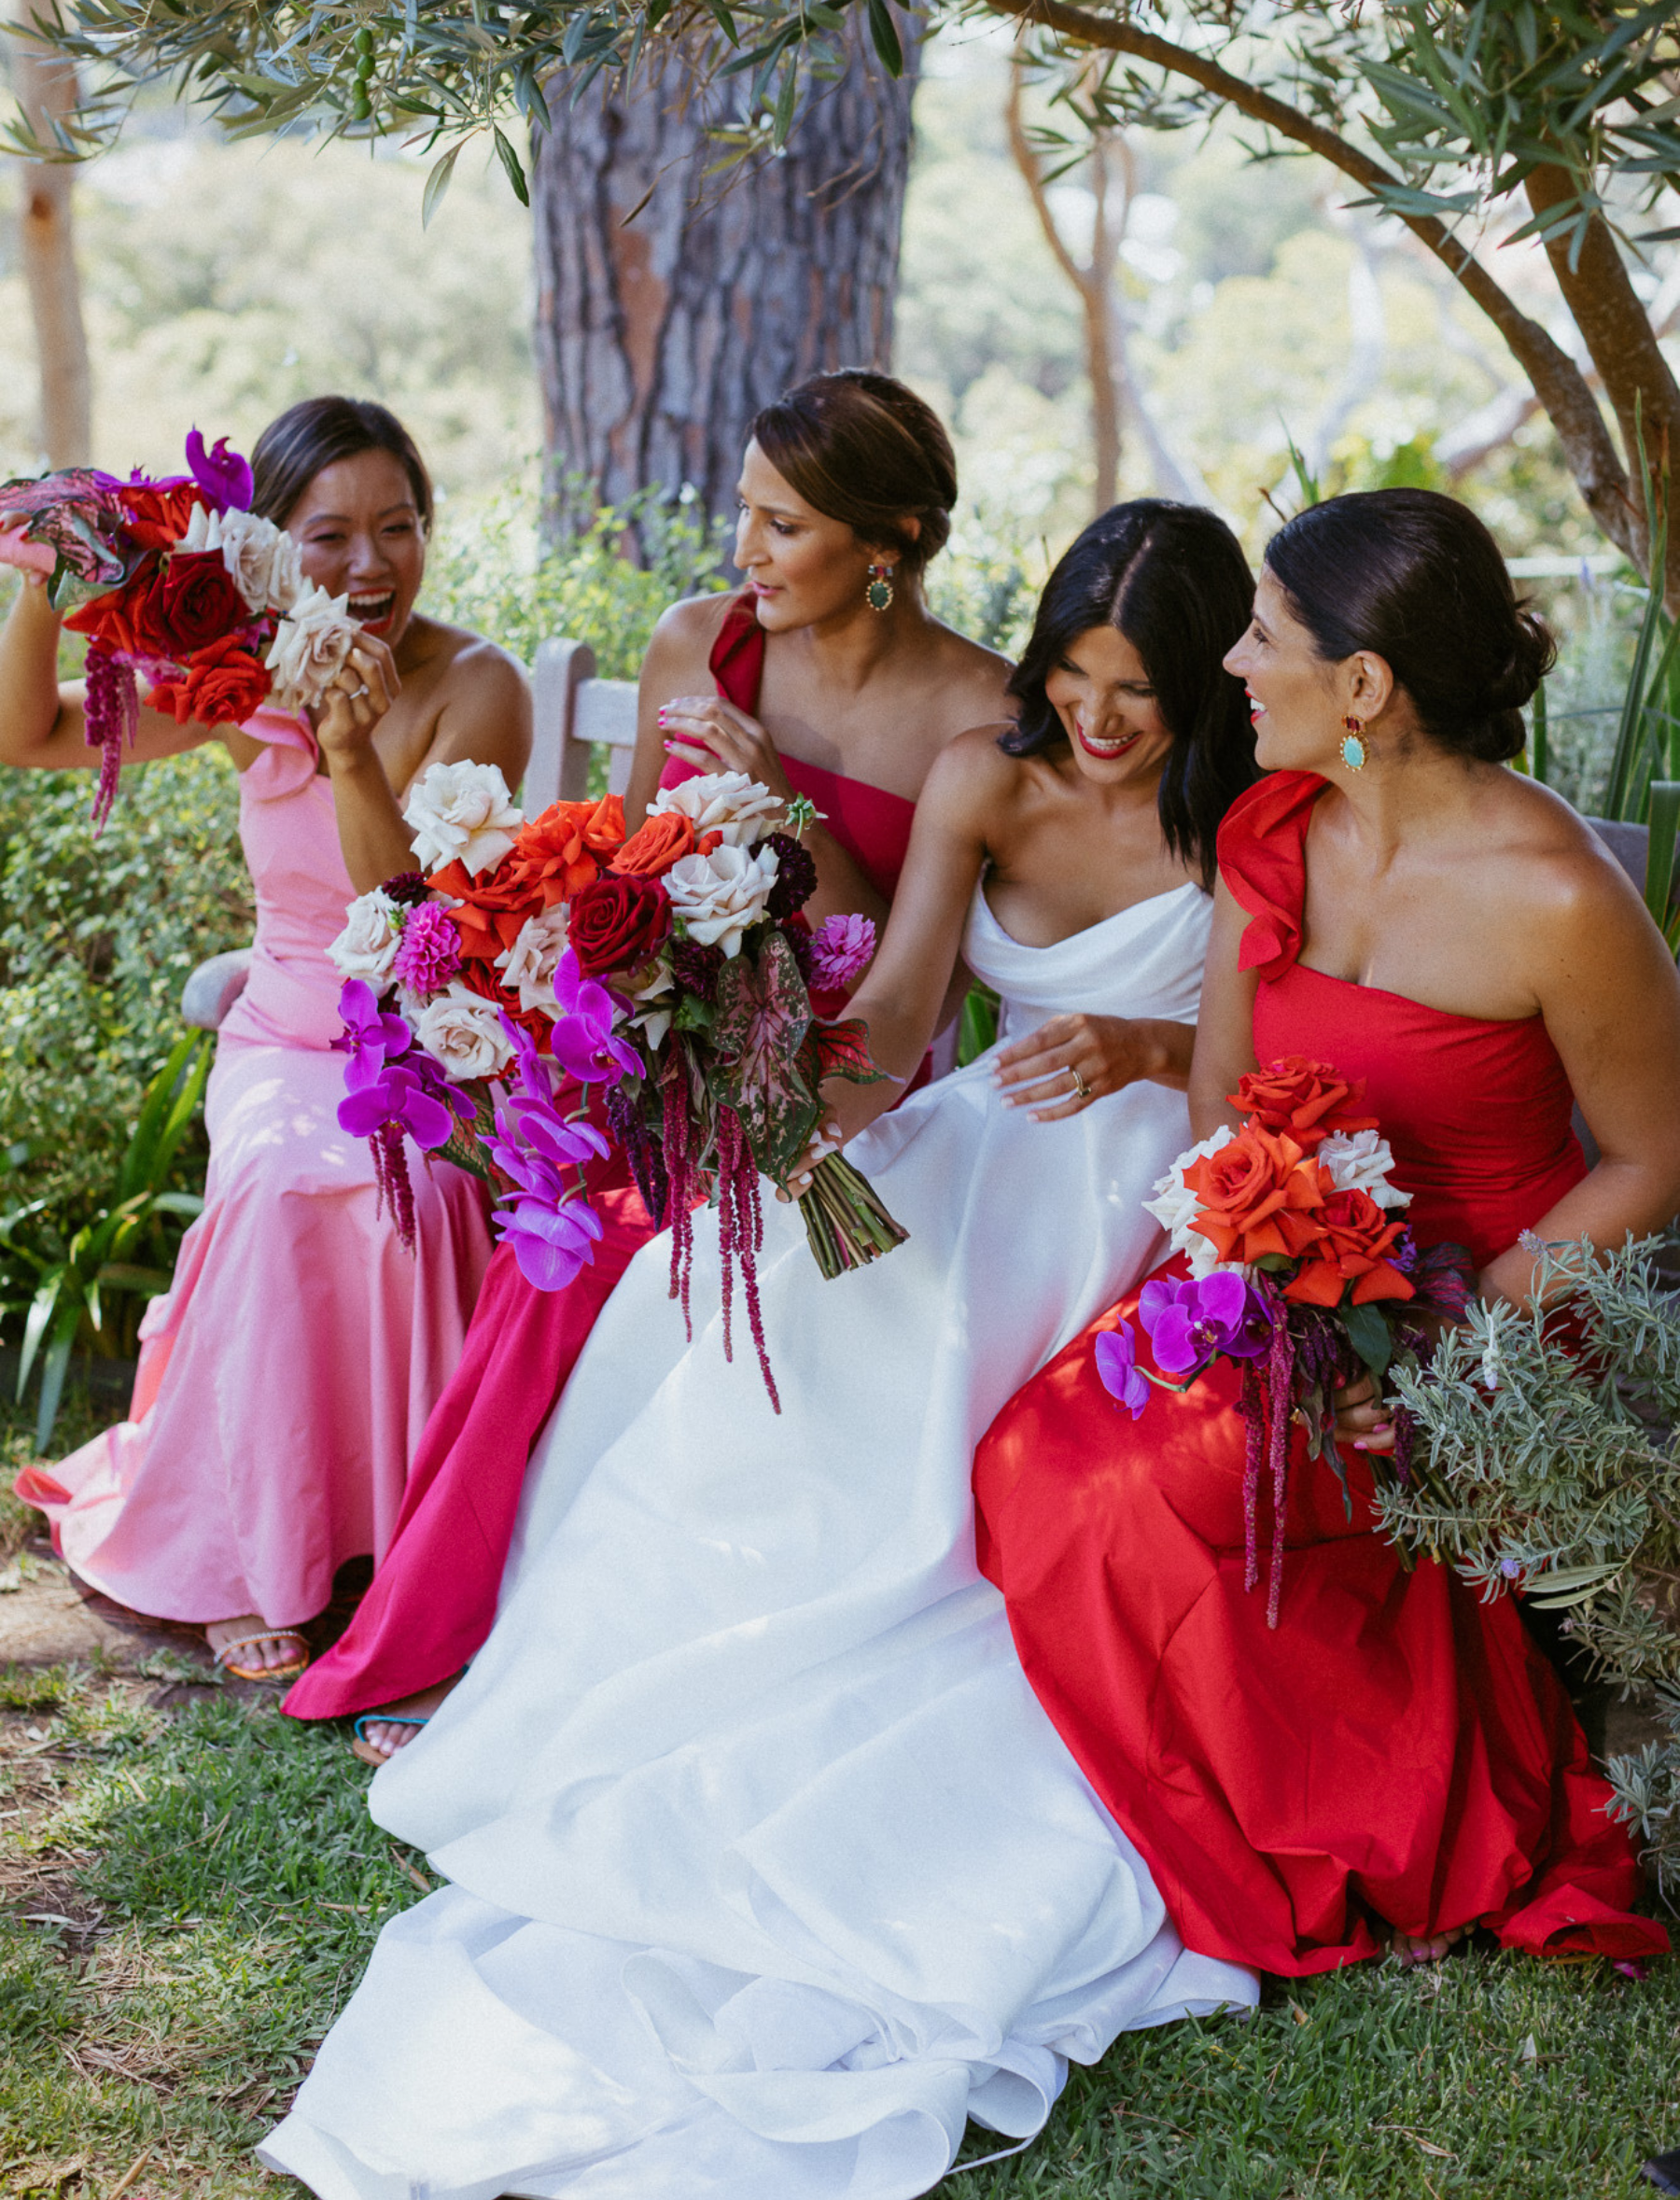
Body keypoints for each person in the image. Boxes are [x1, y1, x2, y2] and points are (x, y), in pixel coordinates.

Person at [259, 500, 1264, 2199]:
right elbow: (899, 1017)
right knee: (715, 1301)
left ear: (1206, 692)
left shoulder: (1244, 824)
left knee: (934, 1371)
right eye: (1079, 676)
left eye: (1140, 692)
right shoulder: (986, 779)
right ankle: (611, 1687)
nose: (1101, 719)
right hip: (974, 1132)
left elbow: (1239, 1079)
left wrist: (1142, 1045)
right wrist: (756, 1066)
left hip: (1151, 1176)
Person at [973, 486, 1680, 1978]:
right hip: (1288, 1279)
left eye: (1263, 636)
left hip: (1486, 1316)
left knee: (1120, 1499)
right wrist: (1275, 1284)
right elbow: (1226, 1105)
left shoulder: (1557, 899)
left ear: (1362, 685)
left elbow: (1652, 1156)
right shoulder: (1270, 828)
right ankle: (1164, 1805)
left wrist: (1460, 1333)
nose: (1233, 665)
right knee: (1036, 1452)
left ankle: (1326, 1823)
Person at [285, 369, 1015, 1753]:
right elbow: (624, 886)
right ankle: (464, 1628)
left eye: (782, 525)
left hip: (853, 1088)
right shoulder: (699, 645)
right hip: (674, 1058)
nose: (743, 551)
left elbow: (922, 965)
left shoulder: (977, 713)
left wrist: (778, 805)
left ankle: (617, 1636)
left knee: (642, 1243)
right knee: (570, 1247)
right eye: (744, 512)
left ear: (892, 541)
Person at [6, 396, 529, 1678]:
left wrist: (351, 751)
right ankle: (257, 1544)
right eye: (331, 534)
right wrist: (37, 583)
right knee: (288, 1180)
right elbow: (25, 734)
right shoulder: (244, 675)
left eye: (399, 528)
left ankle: (406, 1541)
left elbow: (420, 929)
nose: (370, 564)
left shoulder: (478, 687)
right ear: (270, 550)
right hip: (287, 1037)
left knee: (426, 1199)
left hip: (429, 1030)